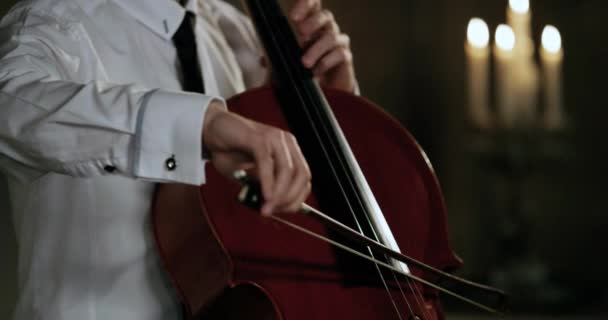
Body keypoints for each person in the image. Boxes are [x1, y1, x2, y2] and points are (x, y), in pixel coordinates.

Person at [0, 0, 357, 319]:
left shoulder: (236, 33)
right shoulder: (54, 20)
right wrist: (199, 124)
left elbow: (274, 208)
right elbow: (9, 106)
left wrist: (326, 109)